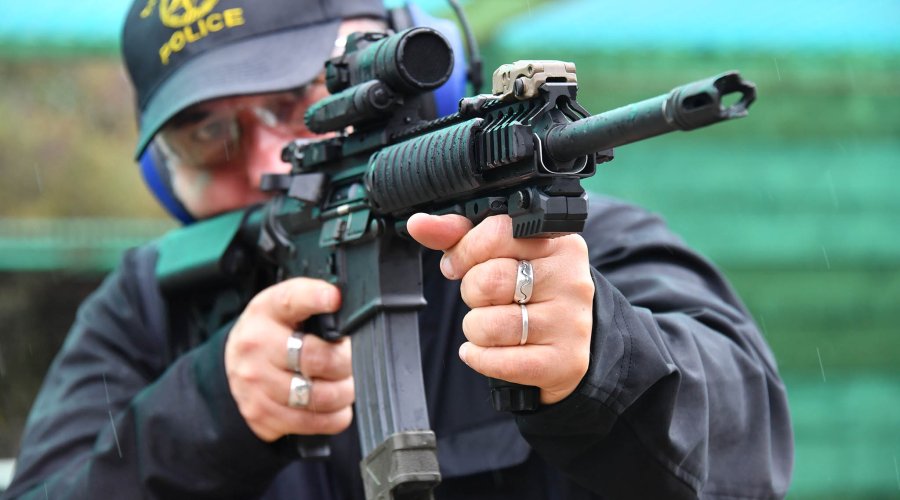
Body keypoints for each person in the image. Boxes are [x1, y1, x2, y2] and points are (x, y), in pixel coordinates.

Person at [2, 0, 794, 498]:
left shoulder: (582, 247)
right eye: (206, 135)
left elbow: (749, 457)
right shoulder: (150, 304)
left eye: (296, 101)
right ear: (164, 173)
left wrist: (599, 359)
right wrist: (209, 412)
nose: (265, 160)